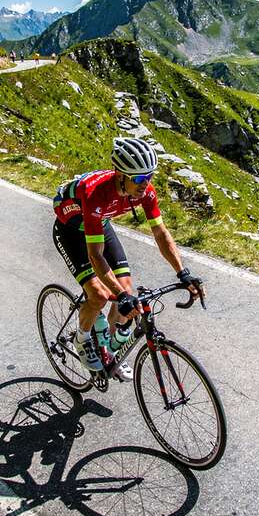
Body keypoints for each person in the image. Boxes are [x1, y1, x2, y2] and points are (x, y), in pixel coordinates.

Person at [52, 137, 203, 380]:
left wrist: (182, 272)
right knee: (100, 295)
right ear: (121, 175)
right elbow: (95, 255)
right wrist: (120, 297)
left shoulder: (145, 191)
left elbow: (160, 233)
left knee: (127, 291)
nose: (146, 184)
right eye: (140, 179)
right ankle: (81, 338)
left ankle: (110, 354)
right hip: (71, 230)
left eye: (150, 176)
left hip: (99, 225)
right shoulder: (96, 194)